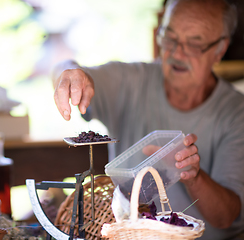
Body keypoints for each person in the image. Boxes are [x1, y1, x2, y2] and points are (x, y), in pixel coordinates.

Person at [52, 0, 244, 239]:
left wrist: (193, 176)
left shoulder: (236, 112)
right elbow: (65, 69)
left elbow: (227, 217)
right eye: (170, 37)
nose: (177, 52)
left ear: (220, 49)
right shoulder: (131, 82)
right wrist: (69, 73)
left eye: (195, 44)